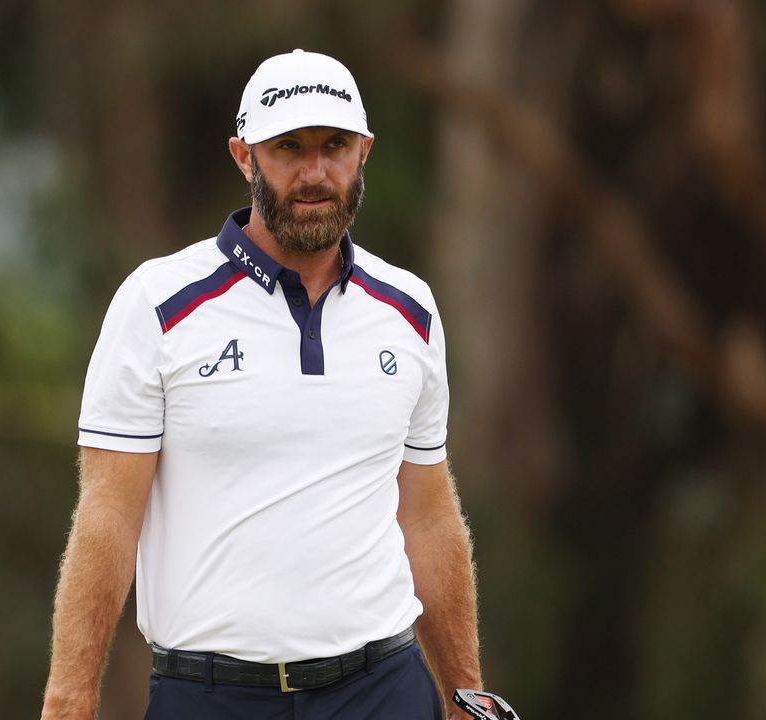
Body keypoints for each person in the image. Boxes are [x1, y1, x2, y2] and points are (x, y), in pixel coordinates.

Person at [40, 49, 482, 720]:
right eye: (288, 149)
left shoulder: (410, 310)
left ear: (364, 151)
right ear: (244, 157)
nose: (314, 173)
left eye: (333, 146)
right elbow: (109, 516)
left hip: (382, 690)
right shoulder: (159, 304)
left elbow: (426, 513)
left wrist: (464, 693)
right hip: (211, 696)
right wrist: (68, 701)